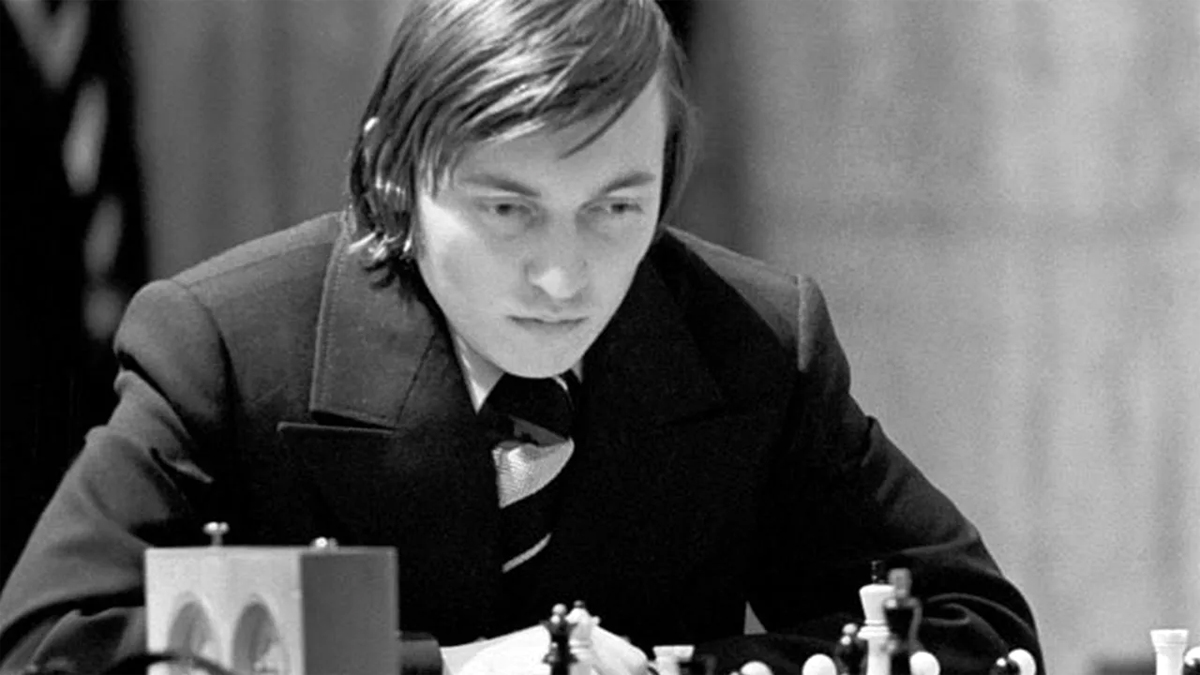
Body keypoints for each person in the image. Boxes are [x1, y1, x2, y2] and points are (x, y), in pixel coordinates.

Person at [0, 0, 1043, 673]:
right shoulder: (228, 341)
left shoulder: (757, 339)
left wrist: (671, 670)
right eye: (508, 210)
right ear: (394, 174)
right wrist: (447, 669)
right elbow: (57, 642)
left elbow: (974, 627)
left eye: (616, 208)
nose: (563, 275)